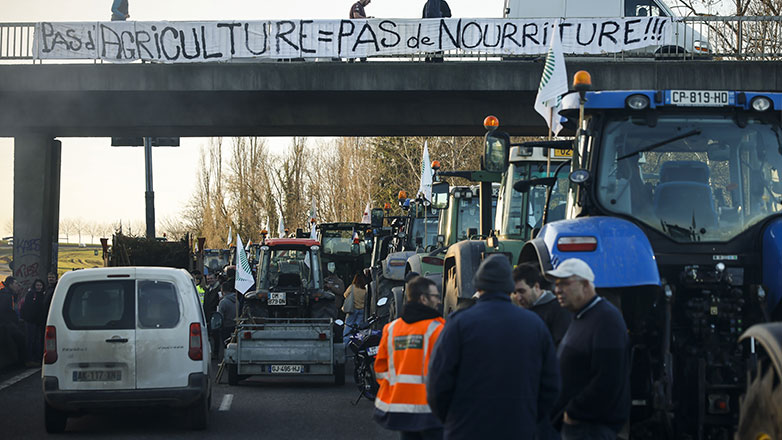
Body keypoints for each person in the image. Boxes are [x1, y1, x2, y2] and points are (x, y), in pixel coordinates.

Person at [427, 254, 560, 440]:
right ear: (509, 287)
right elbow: (551, 385)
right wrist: (530, 418)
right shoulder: (535, 325)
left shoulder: (458, 324)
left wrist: (452, 420)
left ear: (478, 286)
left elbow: (438, 384)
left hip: (466, 430)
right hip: (519, 429)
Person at [546, 258, 630, 440]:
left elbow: (608, 380)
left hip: (589, 428)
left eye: (565, 284)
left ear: (585, 285)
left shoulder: (606, 320)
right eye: (557, 285)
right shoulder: (582, 316)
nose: (557, 290)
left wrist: (574, 412)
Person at [374, 276, 445, 440]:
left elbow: (380, 369)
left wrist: (397, 388)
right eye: (435, 296)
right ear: (423, 299)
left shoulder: (391, 329)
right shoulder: (438, 330)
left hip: (402, 408)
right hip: (431, 411)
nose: (439, 301)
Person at [513, 262, 572, 347]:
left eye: (522, 291)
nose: (518, 297)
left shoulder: (558, 310)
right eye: (515, 292)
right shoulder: (519, 312)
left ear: (536, 287)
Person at [20, 279, 46, 366]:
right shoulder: (31, 294)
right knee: (30, 340)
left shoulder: (42, 295)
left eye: (40, 285)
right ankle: (30, 359)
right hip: (31, 321)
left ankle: (35, 358)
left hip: (38, 322)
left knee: (36, 341)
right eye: (37, 285)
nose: (39, 287)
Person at [0, 277, 25, 366]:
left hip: (8, 323)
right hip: (7, 324)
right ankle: (20, 363)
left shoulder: (9, 294)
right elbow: (4, 311)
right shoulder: (6, 295)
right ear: (10, 285)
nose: (17, 286)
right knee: (21, 339)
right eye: (16, 284)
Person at [343, 271, 368, 338]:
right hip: (362, 310)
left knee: (348, 325)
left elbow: (345, 295)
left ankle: (346, 341)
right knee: (358, 327)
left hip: (352, 309)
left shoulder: (352, 287)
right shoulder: (365, 289)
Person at [202, 271, 222, 359]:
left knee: (215, 335)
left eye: (211, 279)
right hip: (207, 315)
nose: (209, 280)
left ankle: (216, 353)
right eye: (208, 279)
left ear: (215, 279)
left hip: (215, 315)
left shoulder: (219, 289)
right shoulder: (207, 289)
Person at [217, 282, 238, 348]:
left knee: (226, 346)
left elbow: (220, 317)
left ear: (222, 290)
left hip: (226, 327)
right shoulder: (237, 300)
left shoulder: (223, 302)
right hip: (235, 326)